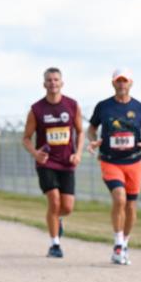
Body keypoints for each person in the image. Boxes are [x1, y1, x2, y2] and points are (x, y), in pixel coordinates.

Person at [87, 69, 141, 265]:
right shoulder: (103, 107)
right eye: (118, 81)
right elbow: (91, 129)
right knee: (119, 197)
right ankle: (118, 242)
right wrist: (93, 141)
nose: (121, 85)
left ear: (130, 83)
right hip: (110, 161)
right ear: (113, 83)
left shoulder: (140, 108)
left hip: (134, 162)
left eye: (124, 81)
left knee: (131, 205)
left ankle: (124, 244)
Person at [23, 67, 83, 258]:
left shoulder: (72, 105)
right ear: (44, 84)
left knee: (67, 207)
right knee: (54, 201)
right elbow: (26, 138)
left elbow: (81, 131)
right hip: (46, 163)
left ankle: (57, 221)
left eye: (56, 80)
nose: (53, 83)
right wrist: (35, 153)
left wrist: (78, 153)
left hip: (67, 162)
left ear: (62, 83)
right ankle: (55, 244)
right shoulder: (36, 109)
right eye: (49, 80)